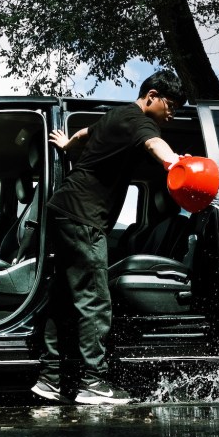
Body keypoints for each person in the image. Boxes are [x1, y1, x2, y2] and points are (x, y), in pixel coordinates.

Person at [32, 70, 187, 405]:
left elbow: (87, 133)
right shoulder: (140, 123)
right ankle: (93, 383)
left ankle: (49, 379)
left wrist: (68, 143)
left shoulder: (117, 115)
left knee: (63, 298)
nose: (171, 113)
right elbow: (154, 143)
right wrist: (175, 163)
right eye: (170, 105)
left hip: (65, 210)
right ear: (152, 96)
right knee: (95, 300)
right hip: (84, 217)